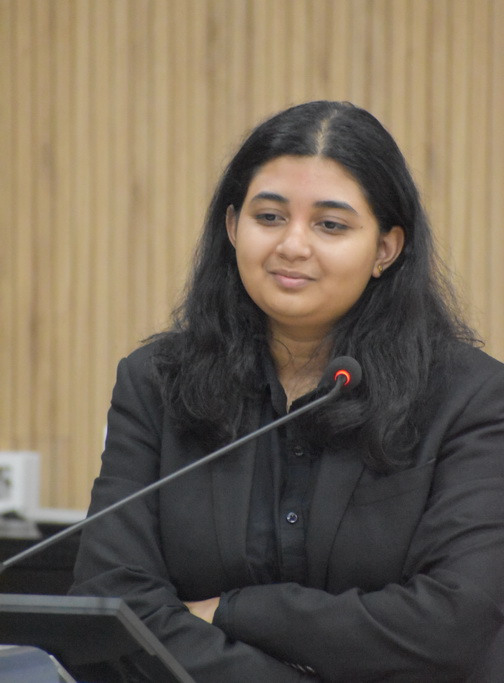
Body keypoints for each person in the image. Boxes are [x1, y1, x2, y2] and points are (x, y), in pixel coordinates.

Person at [70, 101, 504, 681]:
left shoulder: (471, 397)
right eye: (270, 217)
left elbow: (454, 620)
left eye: (331, 225)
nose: (293, 245)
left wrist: (236, 611)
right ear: (233, 228)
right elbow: (111, 605)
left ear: (385, 248)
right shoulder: (156, 383)